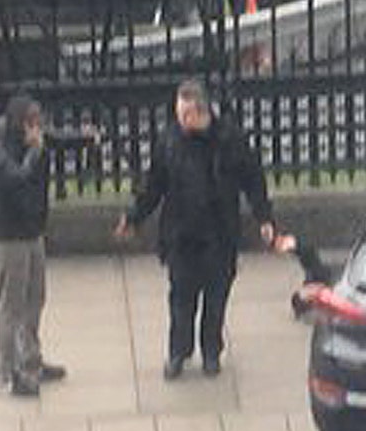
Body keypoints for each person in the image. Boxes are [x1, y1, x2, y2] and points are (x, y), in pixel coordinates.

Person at [114, 78, 276, 379]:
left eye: (184, 113)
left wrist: (264, 217)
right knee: (181, 298)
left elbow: (253, 179)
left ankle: (211, 351)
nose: (179, 119)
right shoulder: (170, 140)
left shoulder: (229, 138)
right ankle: (179, 351)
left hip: (219, 233)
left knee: (216, 298)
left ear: (199, 112)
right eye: (178, 112)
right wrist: (134, 216)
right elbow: (154, 185)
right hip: (182, 233)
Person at [0, 93, 96, 398]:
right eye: (33, 124)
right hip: (7, 237)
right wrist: (34, 153)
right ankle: (4, 372)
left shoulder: (33, 138)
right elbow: (14, 180)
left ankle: (30, 359)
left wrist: (83, 138)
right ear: (19, 124)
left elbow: (55, 139)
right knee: (11, 306)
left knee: (35, 297)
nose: (38, 130)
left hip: (31, 231)